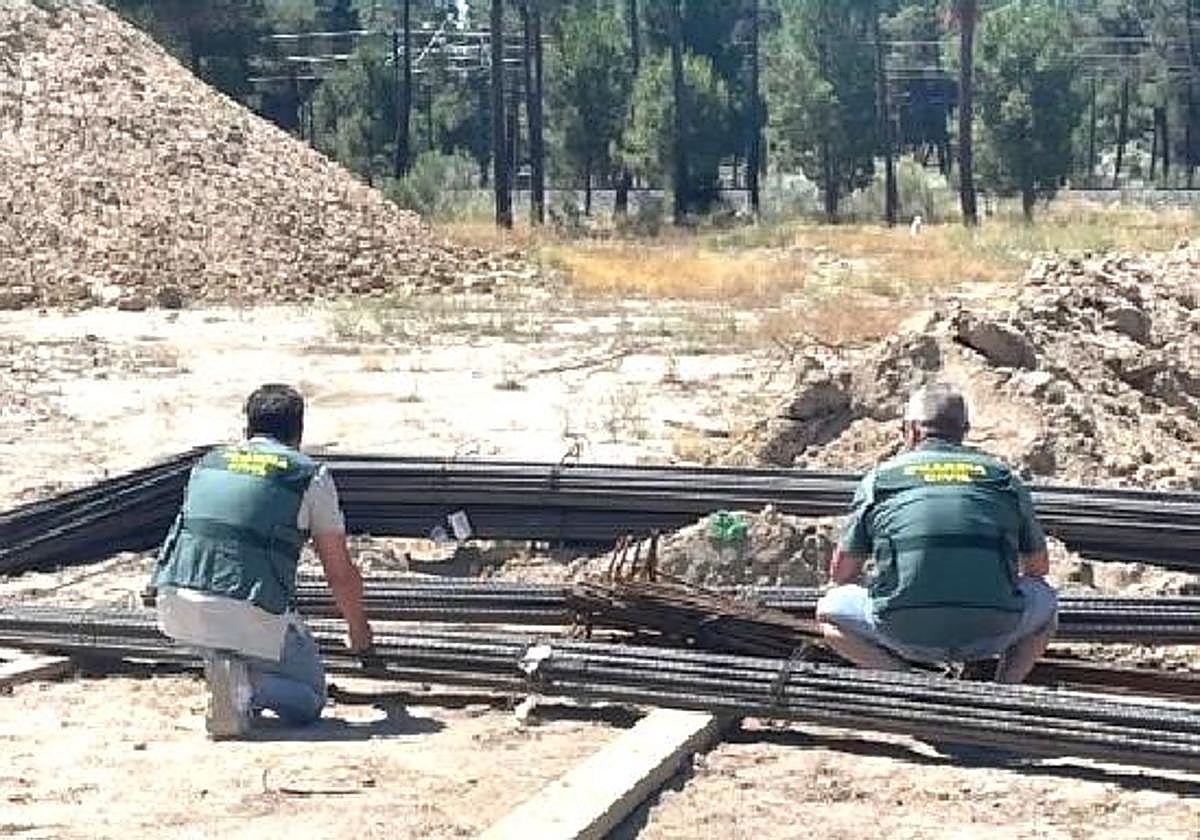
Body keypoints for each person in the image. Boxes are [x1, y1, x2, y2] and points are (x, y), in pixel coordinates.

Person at [151, 384, 373, 739]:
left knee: (234, 638)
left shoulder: (207, 463)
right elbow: (339, 573)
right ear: (298, 433)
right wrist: (359, 630)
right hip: (246, 609)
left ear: (247, 429)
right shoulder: (307, 475)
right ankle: (246, 684)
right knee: (310, 697)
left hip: (176, 603)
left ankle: (229, 677)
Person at [816, 382, 1057, 684]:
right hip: (994, 631)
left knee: (829, 610)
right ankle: (1005, 686)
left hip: (902, 633)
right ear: (964, 430)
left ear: (913, 431)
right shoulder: (1004, 478)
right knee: (1046, 601)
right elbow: (1038, 569)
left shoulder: (879, 480)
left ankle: (907, 681)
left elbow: (841, 573)